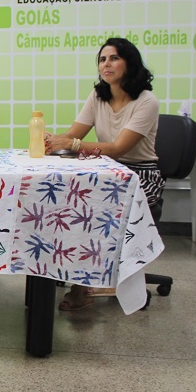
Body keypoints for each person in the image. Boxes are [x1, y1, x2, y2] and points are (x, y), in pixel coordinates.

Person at [46, 37, 161, 311]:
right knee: (64, 201)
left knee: (91, 207)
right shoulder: (98, 95)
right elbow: (74, 135)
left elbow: (119, 149)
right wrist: (50, 140)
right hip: (105, 170)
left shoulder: (147, 101)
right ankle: (69, 272)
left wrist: (71, 145)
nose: (106, 64)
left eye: (114, 58)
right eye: (102, 59)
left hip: (140, 174)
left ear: (129, 64)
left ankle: (83, 284)